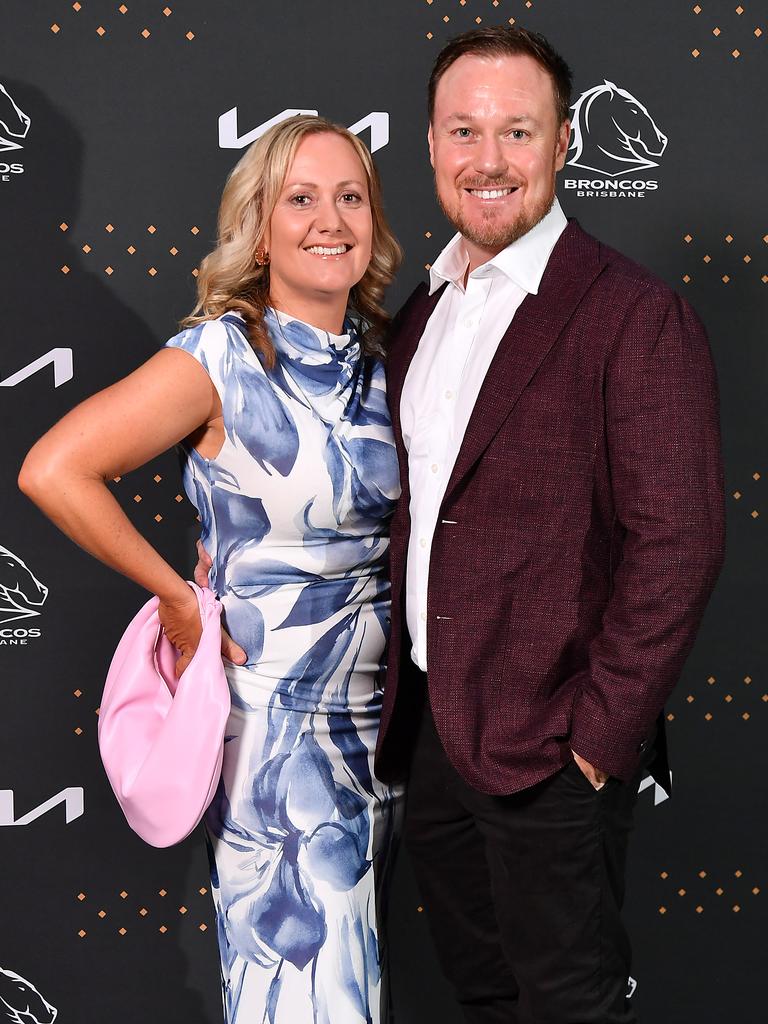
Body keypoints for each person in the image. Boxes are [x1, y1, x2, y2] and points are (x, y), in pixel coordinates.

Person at [372, 26, 725, 1024]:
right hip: (432, 729)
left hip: (551, 743)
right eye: (464, 131)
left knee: (570, 1005)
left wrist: (595, 739)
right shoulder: (422, 307)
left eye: (517, 131)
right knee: (482, 994)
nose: (488, 161)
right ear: (432, 144)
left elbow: (680, 542)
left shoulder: (632, 313)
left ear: (563, 143)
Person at [19, 115, 404, 1024]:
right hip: (277, 742)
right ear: (258, 226)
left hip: (385, 728)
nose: (330, 219)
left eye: (350, 197)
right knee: (311, 1001)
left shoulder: (388, 355)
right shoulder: (221, 358)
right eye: (299, 199)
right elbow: (53, 468)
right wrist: (174, 598)